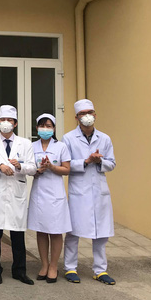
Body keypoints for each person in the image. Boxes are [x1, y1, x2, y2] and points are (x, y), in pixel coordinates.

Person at [62, 99, 117, 285]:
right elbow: (66, 164)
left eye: (90, 112)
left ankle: (100, 270)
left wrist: (99, 161)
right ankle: (70, 268)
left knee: (101, 232)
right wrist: (86, 161)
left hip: (99, 191)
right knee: (73, 231)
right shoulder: (68, 138)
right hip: (79, 191)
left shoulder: (105, 138)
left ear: (95, 115)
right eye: (83, 113)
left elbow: (112, 163)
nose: (87, 116)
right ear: (76, 117)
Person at [0, 105, 36, 285]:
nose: (6, 123)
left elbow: (33, 168)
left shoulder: (25, 143)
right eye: (3, 120)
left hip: (16, 193)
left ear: (15, 124)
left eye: (10, 120)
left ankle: (19, 271)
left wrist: (20, 166)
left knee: (17, 235)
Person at [27, 114, 71, 283]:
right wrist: (38, 170)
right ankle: (44, 265)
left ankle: (53, 266)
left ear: (54, 128)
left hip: (55, 193)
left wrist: (52, 167)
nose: (45, 129)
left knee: (56, 231)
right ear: (37, 128)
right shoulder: (32, 146)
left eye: (48, 126)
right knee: (41, 229)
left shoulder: (61, 147)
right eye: (42, 126)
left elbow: (67, 169)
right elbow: (29, 169)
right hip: (39, 192)